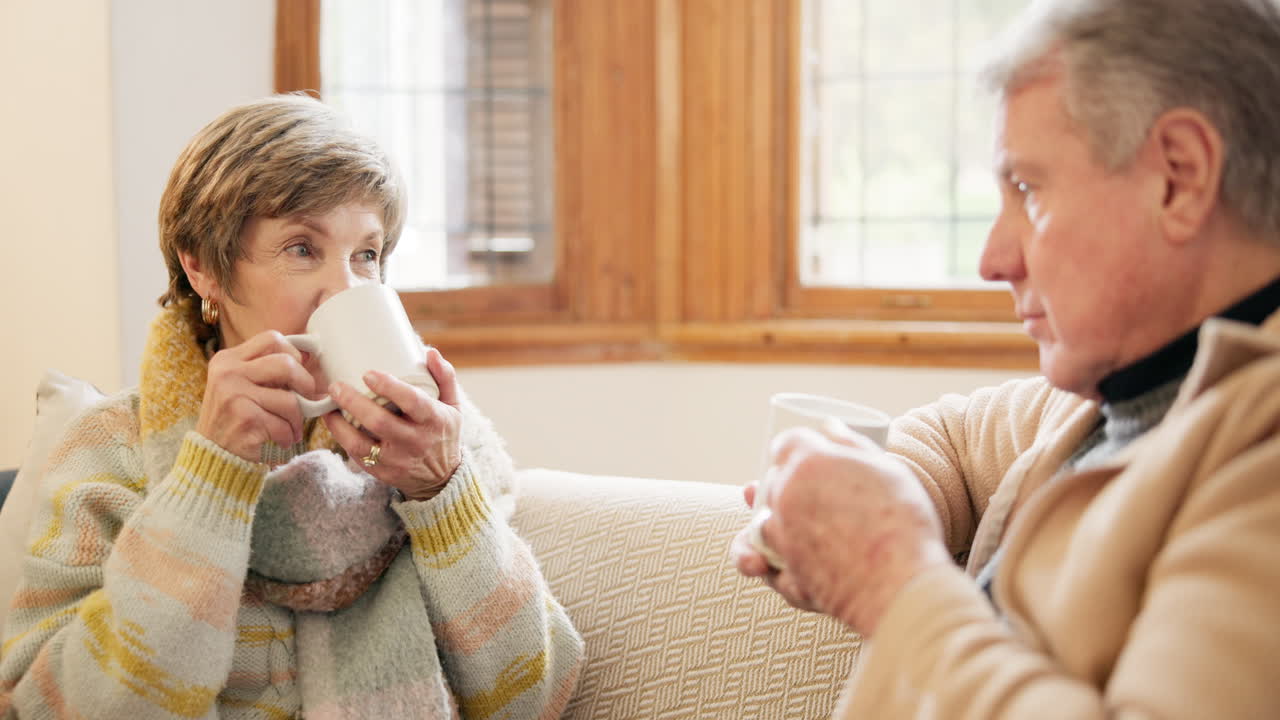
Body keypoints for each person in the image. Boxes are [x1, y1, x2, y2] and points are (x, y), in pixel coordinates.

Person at [733, 0, 1280, 717]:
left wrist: (889, 581)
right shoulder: (1121, 390)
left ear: (1179, 175)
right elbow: (952, 441)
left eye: (1028, 189)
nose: (993, 260)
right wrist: (886, 499)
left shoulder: (1255, 454)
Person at [0, 95, 583, 718]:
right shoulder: (111, 446)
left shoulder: (429, 449)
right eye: (302, 248)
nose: (347, 287)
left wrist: (442, 492)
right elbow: (51, 707)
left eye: (366, 254)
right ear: (204, 270)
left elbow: (533, 698)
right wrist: (209, 480)